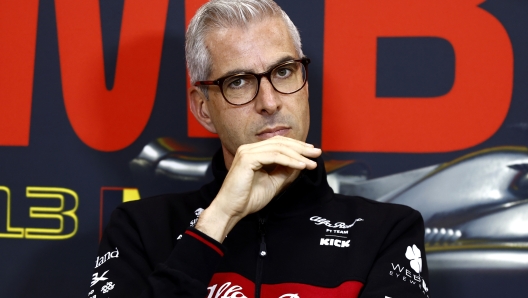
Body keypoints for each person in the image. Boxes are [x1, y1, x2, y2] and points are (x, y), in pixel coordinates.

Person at [89, 1, 430, 297]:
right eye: (237, 81)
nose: (270, 102)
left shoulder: (387, 231)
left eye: (283, 72)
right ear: (203, 108)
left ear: (305, 84)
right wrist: (217, 221)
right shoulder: (139, 228)